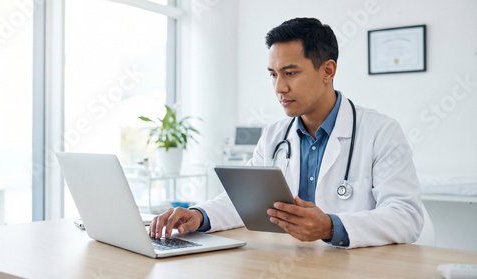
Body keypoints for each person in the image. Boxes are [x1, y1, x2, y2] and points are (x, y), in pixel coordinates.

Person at [149, 17, 424, 249]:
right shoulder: (274, 135)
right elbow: (244, 203)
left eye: (290, 73)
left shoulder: (381, 132)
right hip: (290, 263)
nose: (279, 88)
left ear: (328, 70)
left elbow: (406, 217)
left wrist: (330, 227)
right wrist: (198, 215)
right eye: (273, 74)